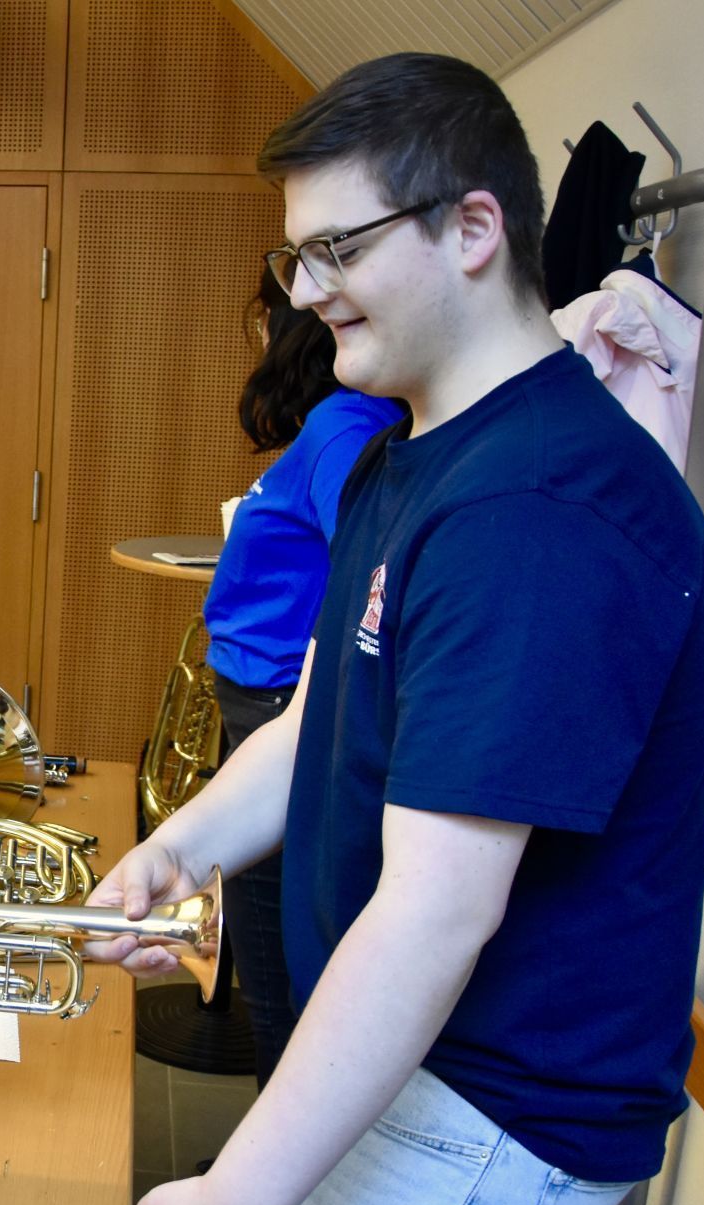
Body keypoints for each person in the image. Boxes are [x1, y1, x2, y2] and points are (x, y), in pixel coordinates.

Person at [87, 53, 704, 1205]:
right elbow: (325, 709)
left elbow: (442, 907)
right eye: (295, 259)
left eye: (338, 248)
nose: (305, 290)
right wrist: (175, 849)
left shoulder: (538, 511)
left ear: (474, 228)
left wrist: (243, 1196)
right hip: (418, 1060)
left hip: (496, 1101)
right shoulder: (407, 453)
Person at [200, 268, 401, 1087]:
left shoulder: (348, 424)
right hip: (272, 704)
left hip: (288, 712)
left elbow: (369, 559)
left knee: (280, 983)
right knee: (271, 969)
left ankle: (274, 1204)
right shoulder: (344, 422)